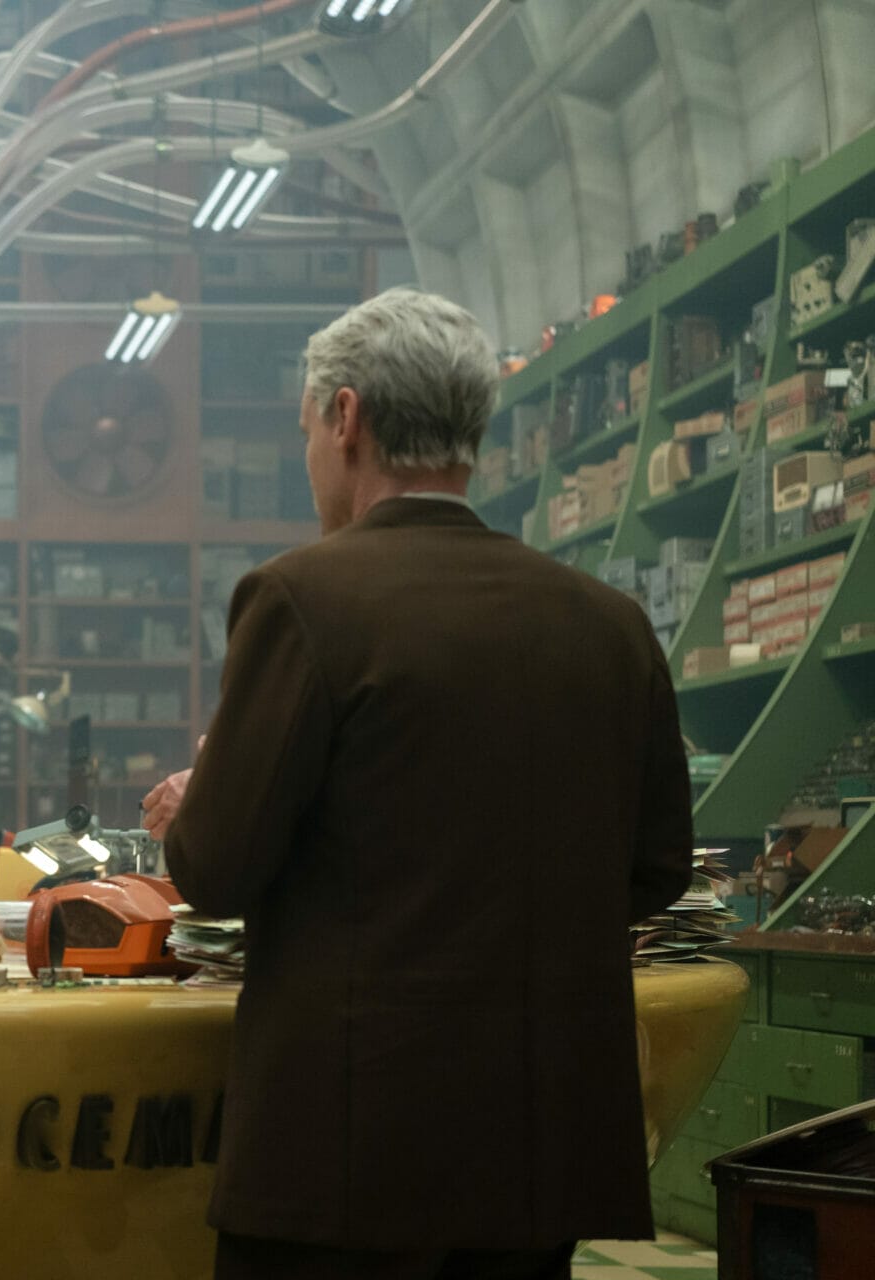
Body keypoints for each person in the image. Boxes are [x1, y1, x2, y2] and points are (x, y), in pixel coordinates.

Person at [141, 288, 692, 1280]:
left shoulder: (303, 599)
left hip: (349, 1151)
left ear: (346, 418)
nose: (310, 455)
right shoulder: (609, 624)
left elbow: (217, 869)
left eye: (307, 430)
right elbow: (657, 869)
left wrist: (198, 802)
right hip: (541, 1149)